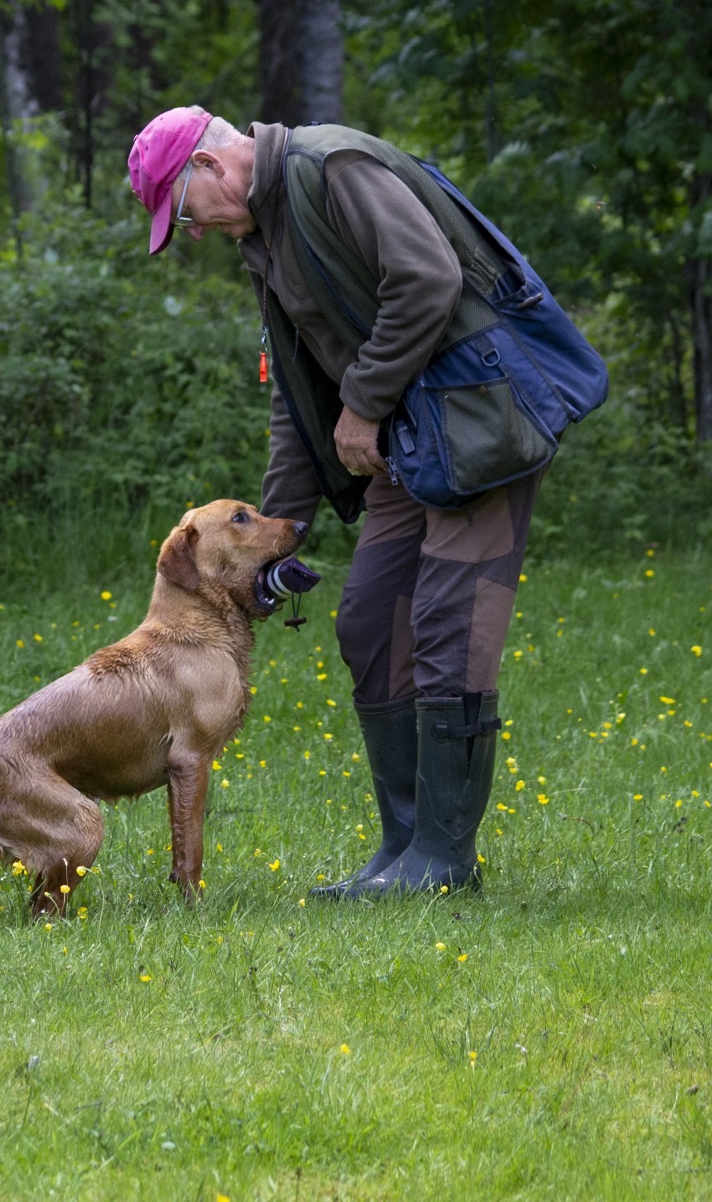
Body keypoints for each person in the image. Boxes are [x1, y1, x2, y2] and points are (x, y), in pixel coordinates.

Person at [128, 106, 545, 899]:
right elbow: (297, 396)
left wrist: (364, 400)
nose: (193, 232)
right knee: (370, 619)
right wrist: (268, 548)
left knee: (447, 623)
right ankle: (406, 845)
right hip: (407, 439)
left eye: (182, 213)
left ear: (210, 166)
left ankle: (444, 859)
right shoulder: (267, 241)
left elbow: (429, 279)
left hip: (480, 423)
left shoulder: (331, 170)